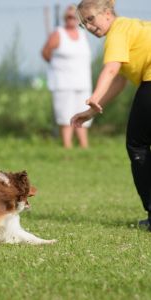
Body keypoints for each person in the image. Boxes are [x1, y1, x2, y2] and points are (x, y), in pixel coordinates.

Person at [70, 0, 151, 227]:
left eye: (90, 19)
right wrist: (90, 112)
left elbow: (112, 68)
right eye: (83, 23)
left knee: (137, 145)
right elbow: (119, 80)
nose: (88, 26)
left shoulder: (116, 32)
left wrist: (94, 96)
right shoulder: (130, 27)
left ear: (107, 13)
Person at [42, 5, 92, 149]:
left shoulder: (83, 34)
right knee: (65, 115)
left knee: (83, 114)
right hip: (63, 83)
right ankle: (67, 146)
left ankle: (84, 146)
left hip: (83, 82)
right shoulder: (58, 33)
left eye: (75, 17)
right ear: (65, 18)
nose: (72, 20)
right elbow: (46, 53)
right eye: (69, 17)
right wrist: (57, 66)